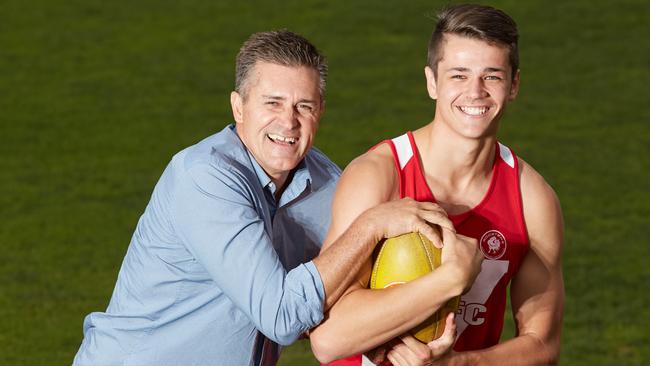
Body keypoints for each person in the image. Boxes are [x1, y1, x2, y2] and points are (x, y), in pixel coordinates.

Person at [72, 30, 452, 366]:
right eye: (272, 102)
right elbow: (282, 316)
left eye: (303, 106)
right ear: (238, 106)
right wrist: (370, 226)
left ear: (320, 112)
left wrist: (394, 344)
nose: (288, 122)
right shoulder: (204, 177)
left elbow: (344, 296)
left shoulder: (329, 184)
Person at [309, 4, 565, 366]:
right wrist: (450, 279)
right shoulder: (380, 175)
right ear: (432, 82)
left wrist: (453, 364)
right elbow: (329, 339)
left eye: (491, 76)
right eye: (458, 75)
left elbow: (543, 345)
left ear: (514, 85)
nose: (475, 92)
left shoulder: (533, 200)